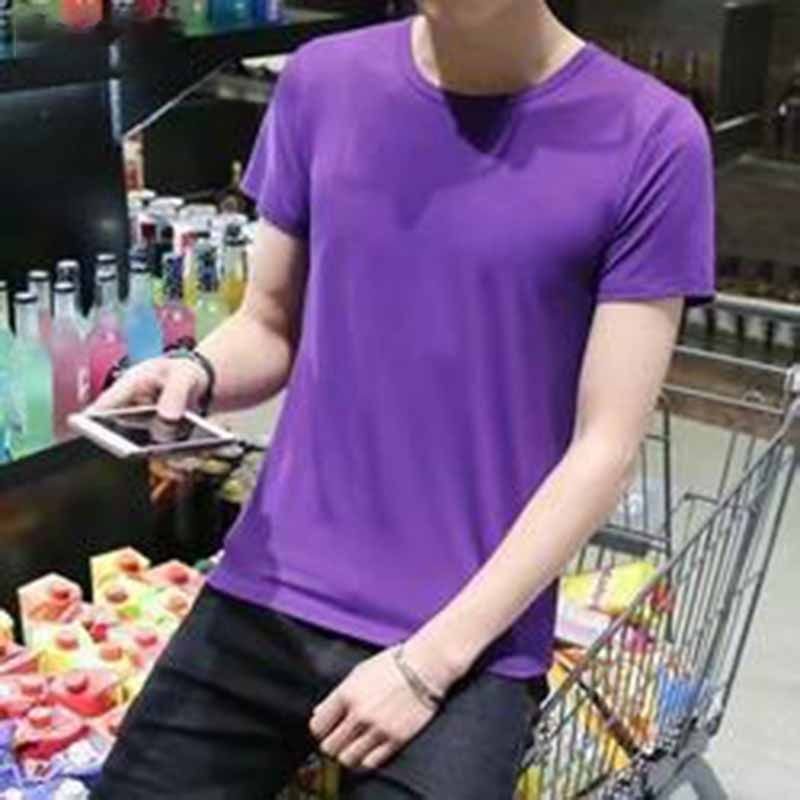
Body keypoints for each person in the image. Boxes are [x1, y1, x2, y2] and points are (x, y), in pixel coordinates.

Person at [91, 0, 715, 797]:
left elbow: (606, 448)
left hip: (468, 637)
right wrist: (197, 370)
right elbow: (270, 324)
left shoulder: (651, 137)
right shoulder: (325, 83)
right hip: (272, 587)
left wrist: (429, 666)